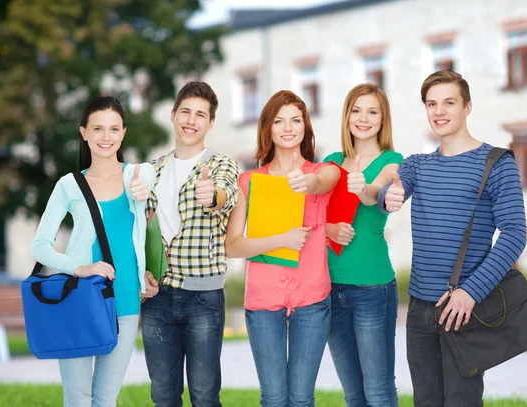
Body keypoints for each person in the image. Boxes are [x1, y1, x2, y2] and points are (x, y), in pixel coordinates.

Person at [378, 70, 527, 407]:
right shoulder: (418, 166)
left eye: (449, 102)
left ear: (467, 107)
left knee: (461, 401)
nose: (439, 111)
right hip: (419, 309)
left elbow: (515, 234)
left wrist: (470, 292)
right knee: (425, 401)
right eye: (432, 104)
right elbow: (391, 192)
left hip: (465, 308)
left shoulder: (496, 163)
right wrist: (387, 197)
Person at [31, 96, 158, 407]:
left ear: (124, 133)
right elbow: (40, 245)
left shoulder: (138, 176)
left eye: (114, 129)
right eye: (98, 129)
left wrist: (144, 190)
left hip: (126, 300)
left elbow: (150, 180)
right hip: (80, 298)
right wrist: (79, 268)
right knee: (77, 398)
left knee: (105, 399)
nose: (106, 137)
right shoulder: (69, 185)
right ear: (84, 133)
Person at [225, 90, 340, 407]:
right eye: (279, 121)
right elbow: (233, 246)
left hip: (312, 297)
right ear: (268, 128)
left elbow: (327, 180)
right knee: (274, 398)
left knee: (302, 398)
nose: (288, 128)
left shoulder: (322, 172)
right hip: (263, 299)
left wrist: (308, 183)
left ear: (305, 126)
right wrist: (282, 240)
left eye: (295, 120)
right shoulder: (248, 181)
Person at [140, 81, 240, 407]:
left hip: (203, 298)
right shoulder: (151, 171)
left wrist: (213, 195)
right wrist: (141, 272)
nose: (191, 120)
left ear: (210, 123)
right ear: (172, 115)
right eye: (186, 111)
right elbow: (138, 231)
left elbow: (227, 193)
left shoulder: (220, 164)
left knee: (205, 396)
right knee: (164, 396)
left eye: (201, 115)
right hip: (157, 298)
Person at [323, 83, 403, 407]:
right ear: (347, 116)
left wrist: (363, 188)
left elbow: (377, 195)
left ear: (383, 120)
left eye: (372, 111)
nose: (363, 118)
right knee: (353, 395)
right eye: (356, 110)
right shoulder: (330, 161)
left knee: (379, 392)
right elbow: (310, 219)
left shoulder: (393, 161)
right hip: (330, 287)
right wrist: (328, 228)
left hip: (373, 287)